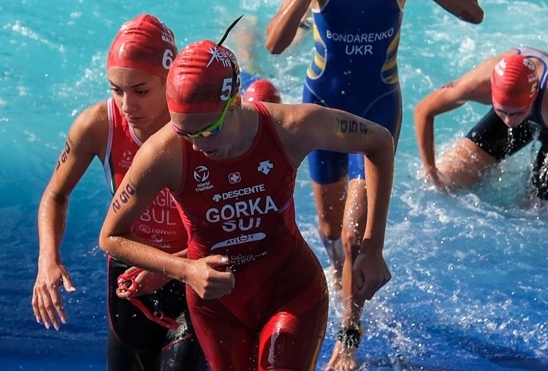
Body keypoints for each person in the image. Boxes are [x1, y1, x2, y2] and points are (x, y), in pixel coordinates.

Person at [264, 0, 484, 369]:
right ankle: (345, 276)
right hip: (322, 109)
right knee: (327, 229)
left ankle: (349, 335)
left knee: (355, 237)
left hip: (378, 111)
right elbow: (275, 42)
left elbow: (473, 13)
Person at [99, 33, 395, 371]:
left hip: (292, 293)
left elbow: (380, 142)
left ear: (235, 101)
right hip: (217, 309)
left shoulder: (292, 127)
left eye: (207, 131)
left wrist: (372, 247)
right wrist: (183, 269)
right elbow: (111, 236)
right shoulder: (163, 153)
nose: (198, 147)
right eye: (186, 133)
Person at [31, 14, 207, 370]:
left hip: (194, 267)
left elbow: (235, 226)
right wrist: (47, 259)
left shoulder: (201, 127)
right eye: (116, 89)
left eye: (140, 91)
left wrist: (174, 266)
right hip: (130, 272)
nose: (127, 106)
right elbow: (55, 195)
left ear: (169, 81)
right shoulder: (97, 125)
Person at [414, 47, 548, 207]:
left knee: (536, 212)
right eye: (502, 112)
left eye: (516, 114)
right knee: (446, 179)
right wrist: (431, 170)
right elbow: (423, 110)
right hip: (524, 104)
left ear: (532, 98)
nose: (509, 122)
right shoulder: (478, 84)